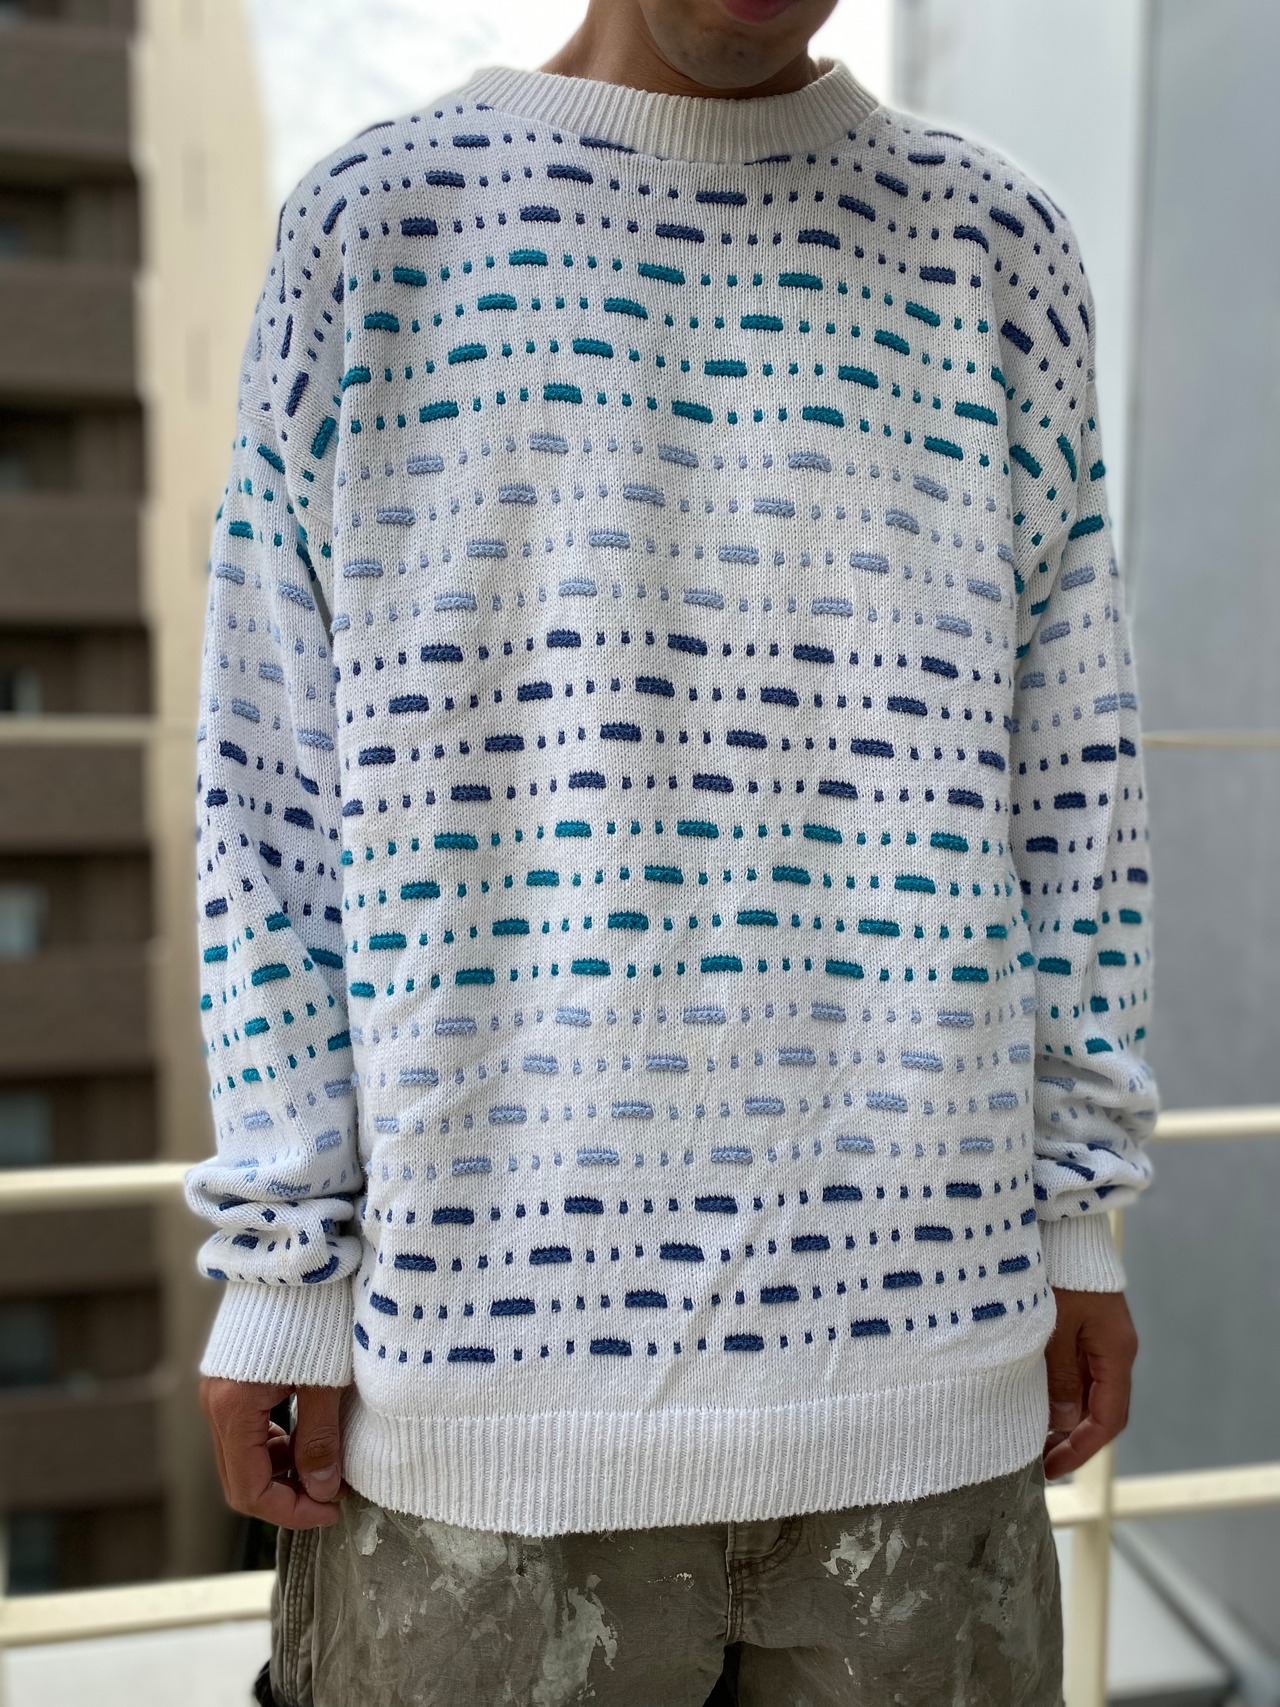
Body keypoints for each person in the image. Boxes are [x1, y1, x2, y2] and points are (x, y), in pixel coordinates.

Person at [186, 0, 1161, 1701]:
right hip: (476, 1410)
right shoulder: (377, 229)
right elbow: (271, 792)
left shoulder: (996, 248)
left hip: (932, 1391)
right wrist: (282, 1267)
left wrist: (1078, 1219)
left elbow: (1073, 784)